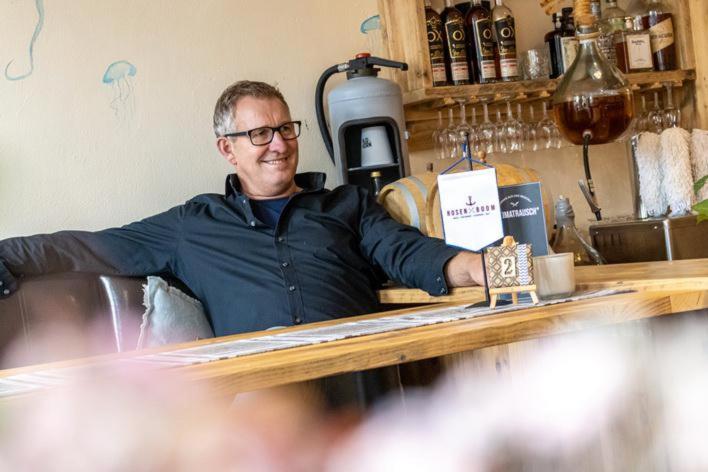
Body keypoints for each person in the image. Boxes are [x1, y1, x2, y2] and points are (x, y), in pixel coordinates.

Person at [0, 80, 484, 337]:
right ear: (227, 150)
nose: (278, 144)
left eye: (286, 129)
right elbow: (92, 248)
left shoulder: (347, 204)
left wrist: (489, 267)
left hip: (358, 388)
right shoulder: (194, 225)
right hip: (264, 409)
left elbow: (408, 252)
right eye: (259, 134)